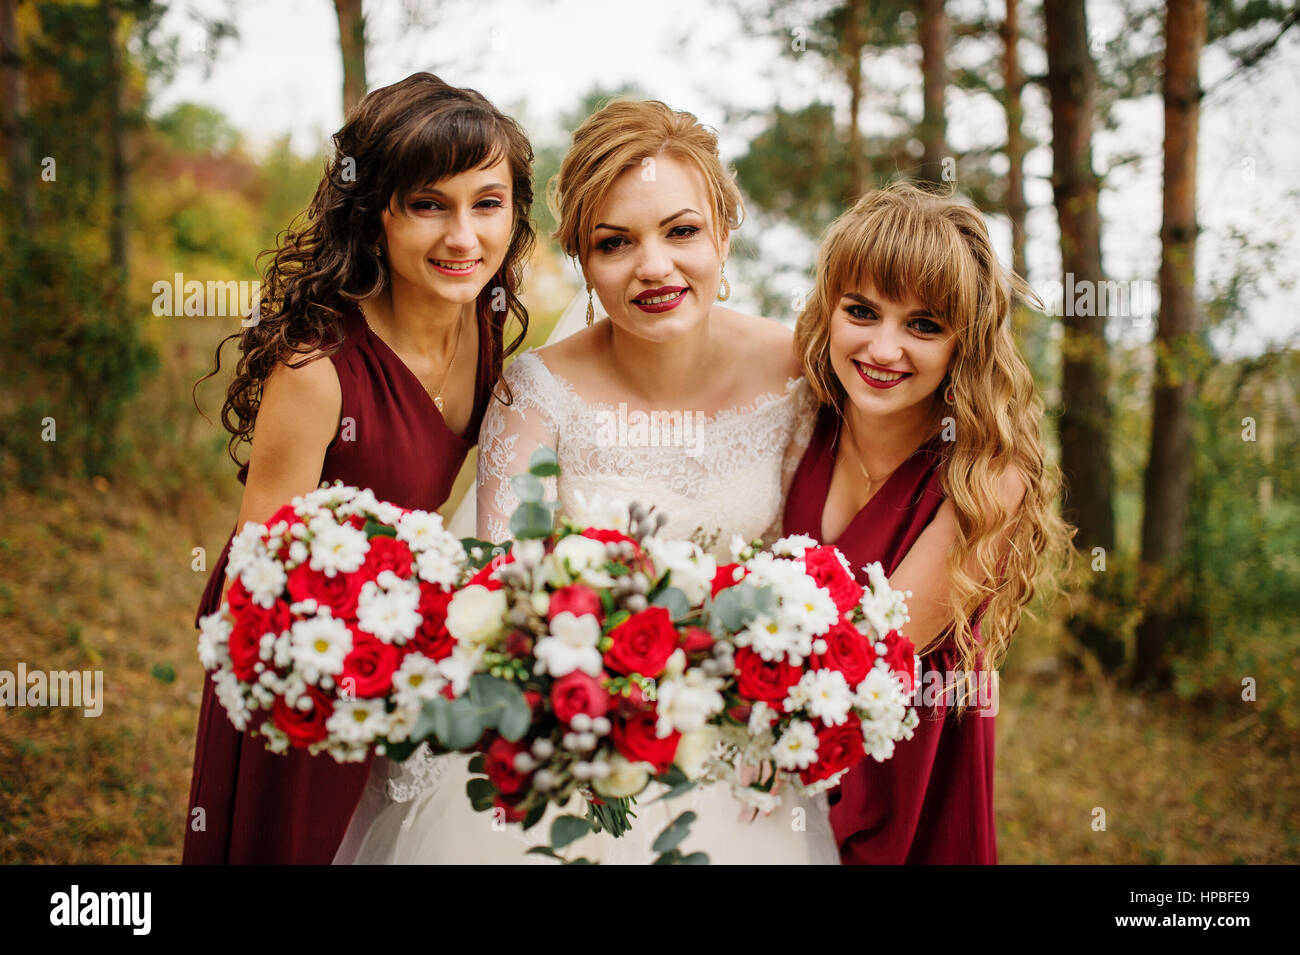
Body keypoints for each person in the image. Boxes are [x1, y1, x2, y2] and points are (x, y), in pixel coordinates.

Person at [335, 99, 837, 864]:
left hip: (738, 743)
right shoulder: (535, 390)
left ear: (724, 235)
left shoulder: (800, 370)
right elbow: (497, 590)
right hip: (564, 734)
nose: (654, 267)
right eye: (616, 243)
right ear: (583, 260)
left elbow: (803, 565)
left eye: (682, 230)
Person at [184, 72, 535, 864]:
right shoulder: (316, 366)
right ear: (375, 211)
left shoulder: (486, 317)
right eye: (427, 204)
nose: (463, 238)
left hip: (405, 653)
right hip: (304, 654)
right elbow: (259, 568)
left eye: (487, 203)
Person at [783, 181, 1074, 864]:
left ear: (962, 344)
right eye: (861, 310)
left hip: (904, 785)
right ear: (828, 311)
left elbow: (870, 649)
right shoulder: (803, 419)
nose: (884, 348)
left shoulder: (985, 478)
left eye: (924, 325)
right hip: (786, 761)